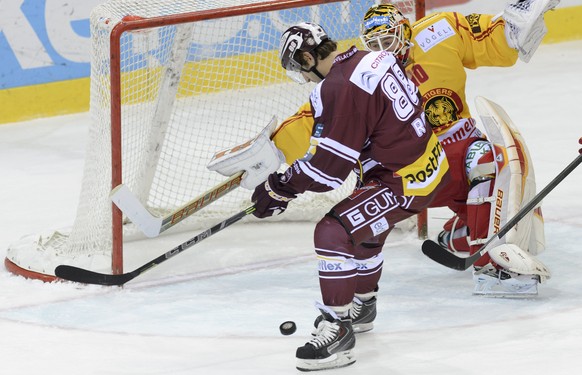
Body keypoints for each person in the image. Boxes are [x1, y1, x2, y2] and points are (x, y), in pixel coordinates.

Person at [270, 0, 555, 297]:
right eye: (376, 43)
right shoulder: (361, 75)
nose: (385, 48)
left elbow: (490, 38)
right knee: (488, 167)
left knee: (495, 167)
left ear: (405, 32)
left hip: (461, 153)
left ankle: (460, 238)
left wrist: (515, 28)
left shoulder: (439, 32)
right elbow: (308, 119)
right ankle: (490, 265)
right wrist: (270, 152)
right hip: (410, 173)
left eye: (389, 39)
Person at [251, 22, 450, 371]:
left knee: (332, 233)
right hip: (428, 163)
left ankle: (338, 329)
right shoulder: (371, 57)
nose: (306, 77)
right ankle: (363, 305)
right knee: (366, 227)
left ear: (309, 57)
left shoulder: (339, 87)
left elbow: (329, 172)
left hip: (402, 179)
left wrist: (278, 187)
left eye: (300, 68)